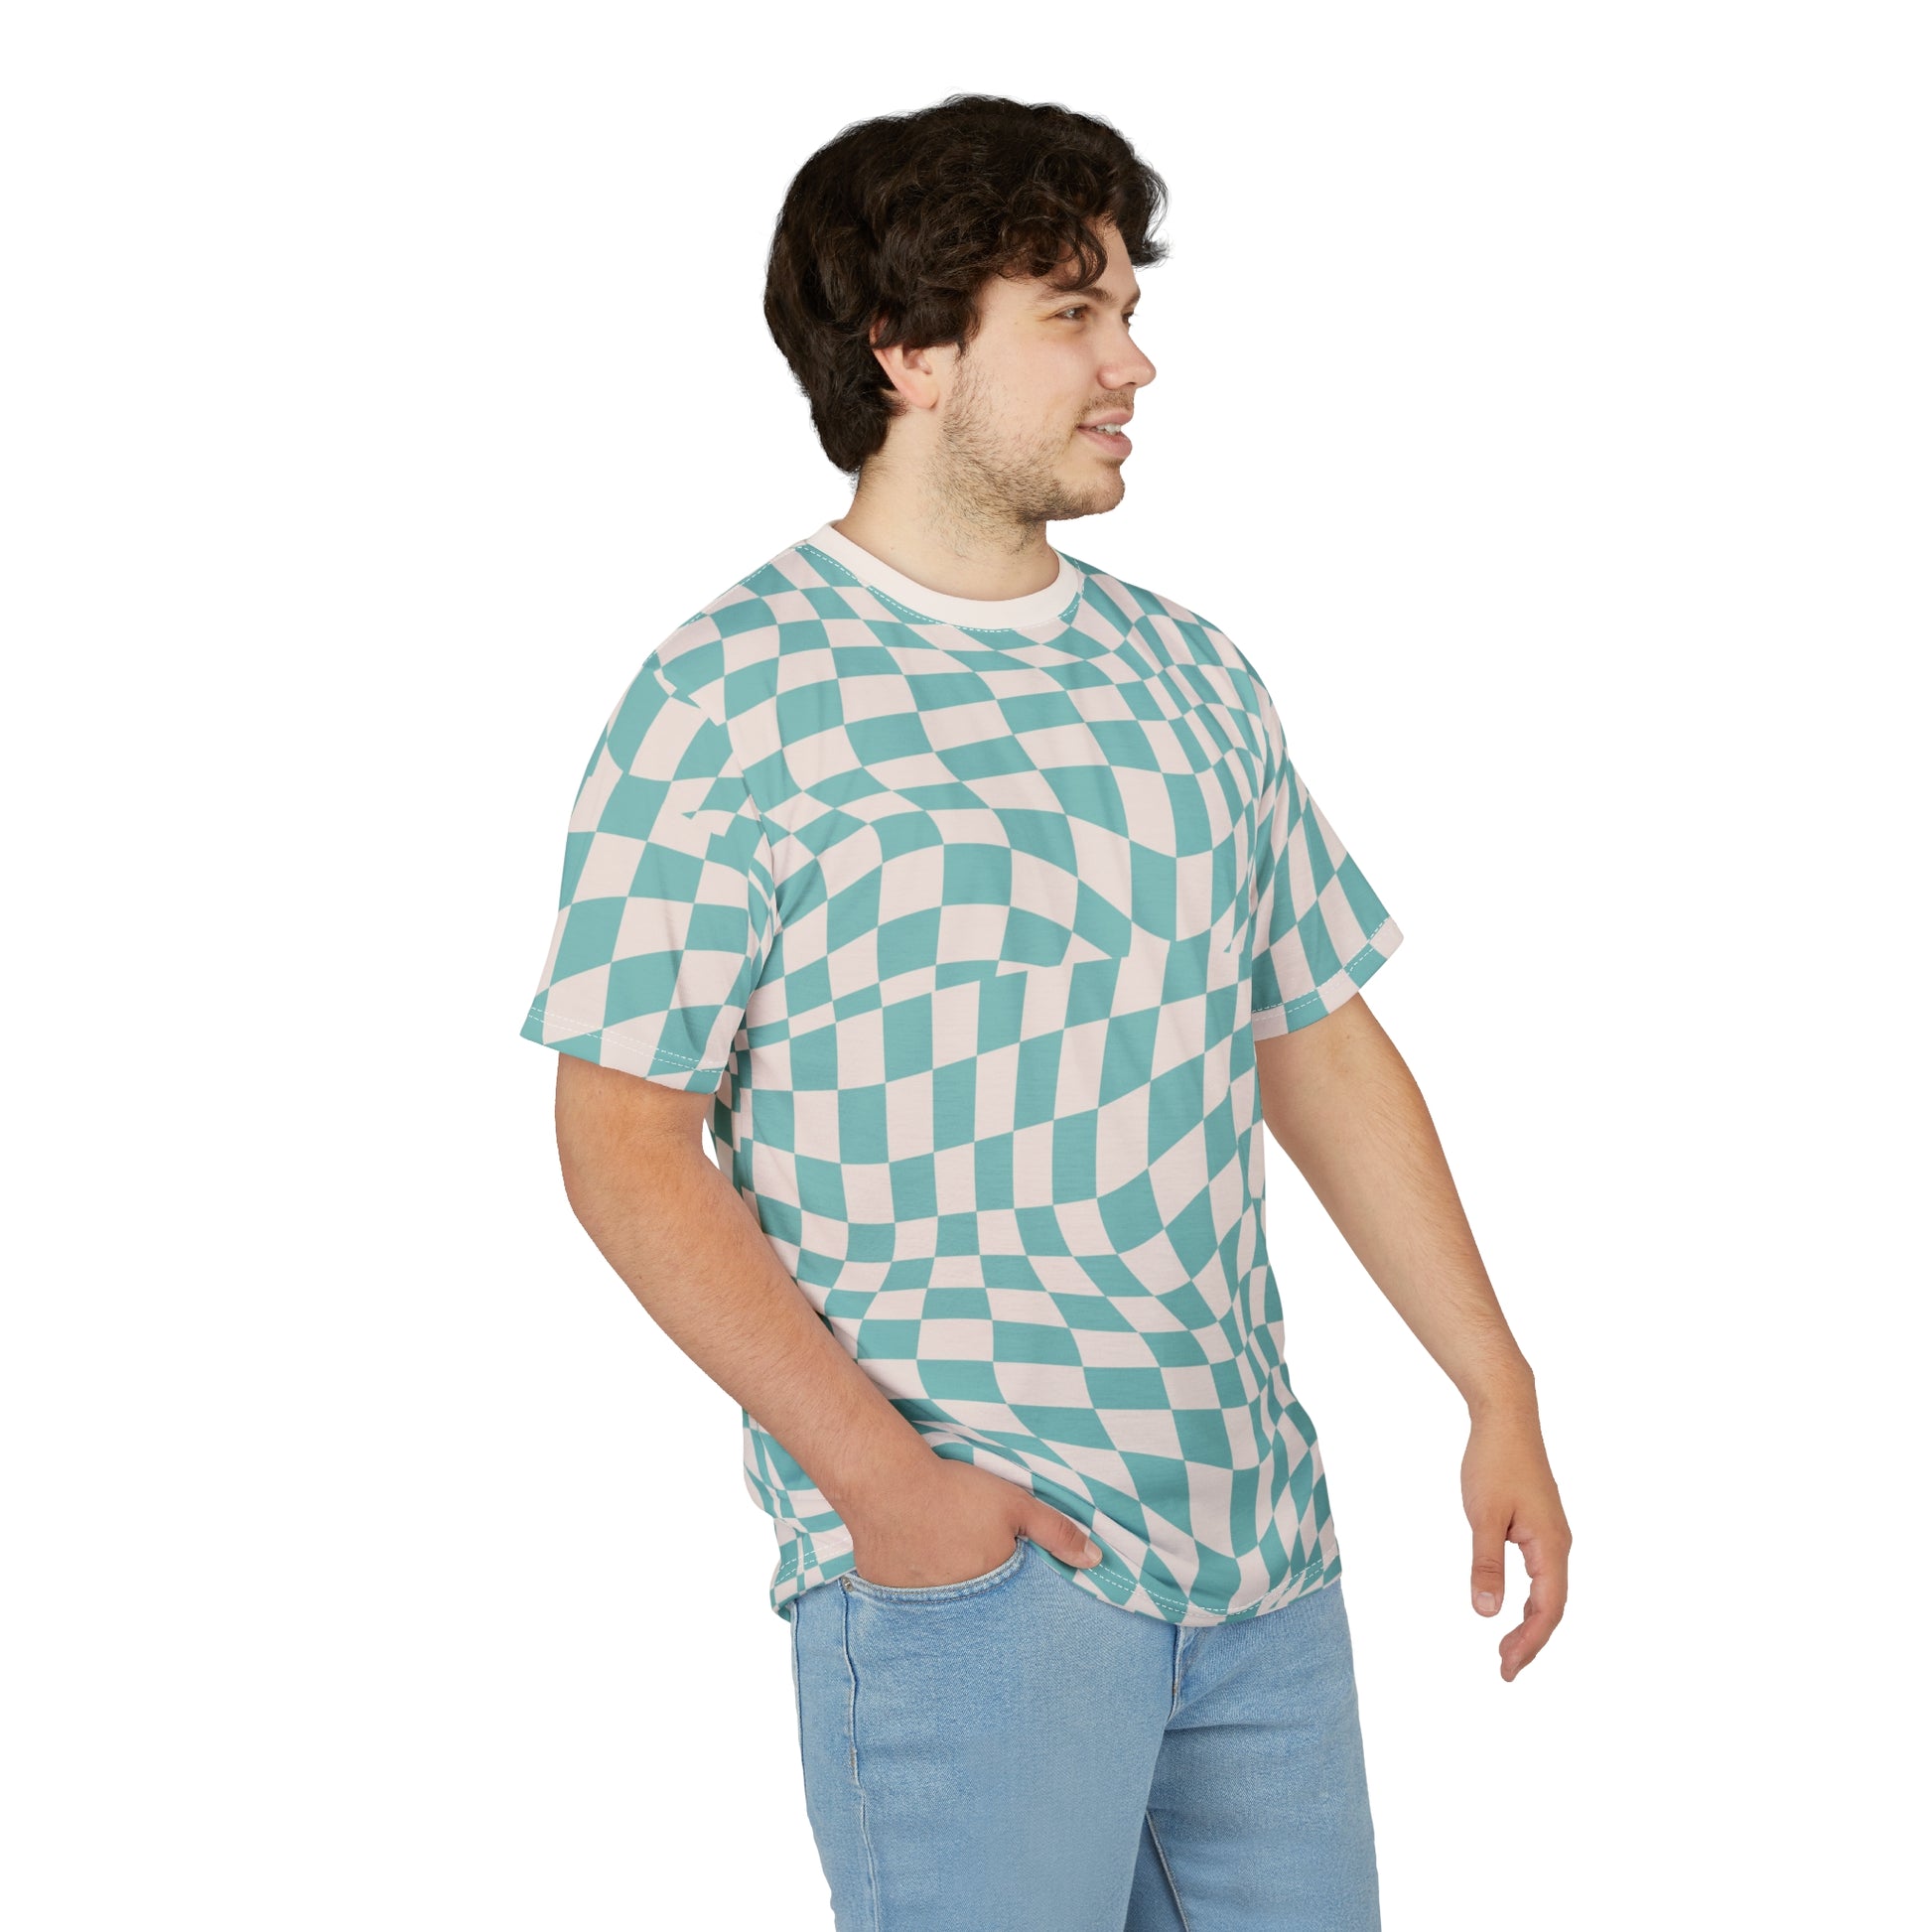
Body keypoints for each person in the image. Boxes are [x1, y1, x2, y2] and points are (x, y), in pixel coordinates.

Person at [516, 92, 1570, 1932]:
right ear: (906, 350)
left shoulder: (1193, 679)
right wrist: (886, 1488)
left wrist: (1494, 1382)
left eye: (1123, 309)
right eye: (1070, 313)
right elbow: (621, 1134)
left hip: (1259, 1555)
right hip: (976, 1570)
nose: (1131, 362)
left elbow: (1310, 1033)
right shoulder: (727, 697)